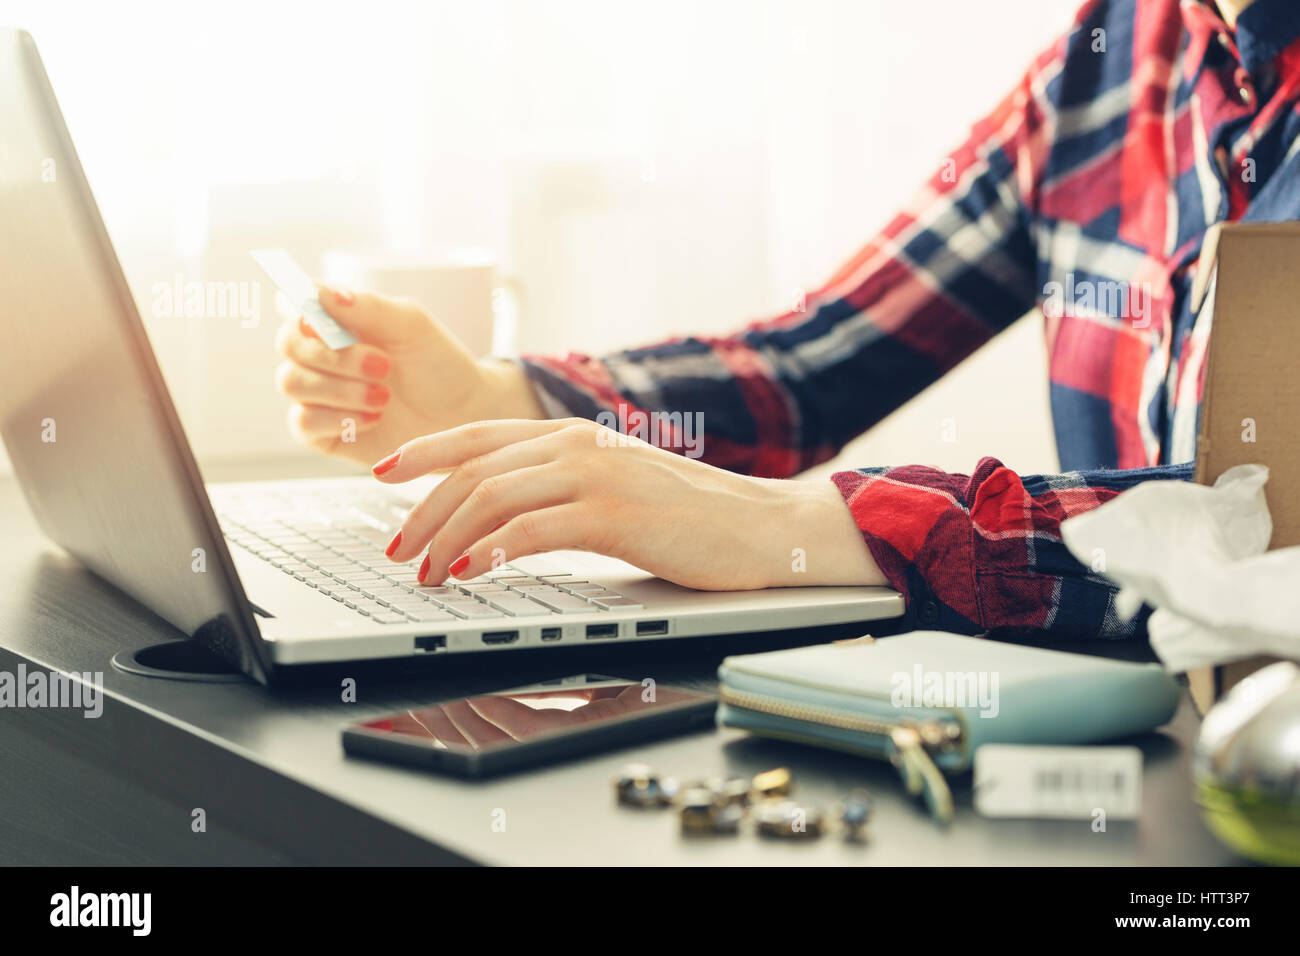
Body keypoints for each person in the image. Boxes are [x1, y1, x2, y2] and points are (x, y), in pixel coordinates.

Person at [273, 0, 1298, 639]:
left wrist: (813, 525)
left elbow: (1273, 521)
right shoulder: (1106, 62)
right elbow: (816, 364)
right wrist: (501, 397)